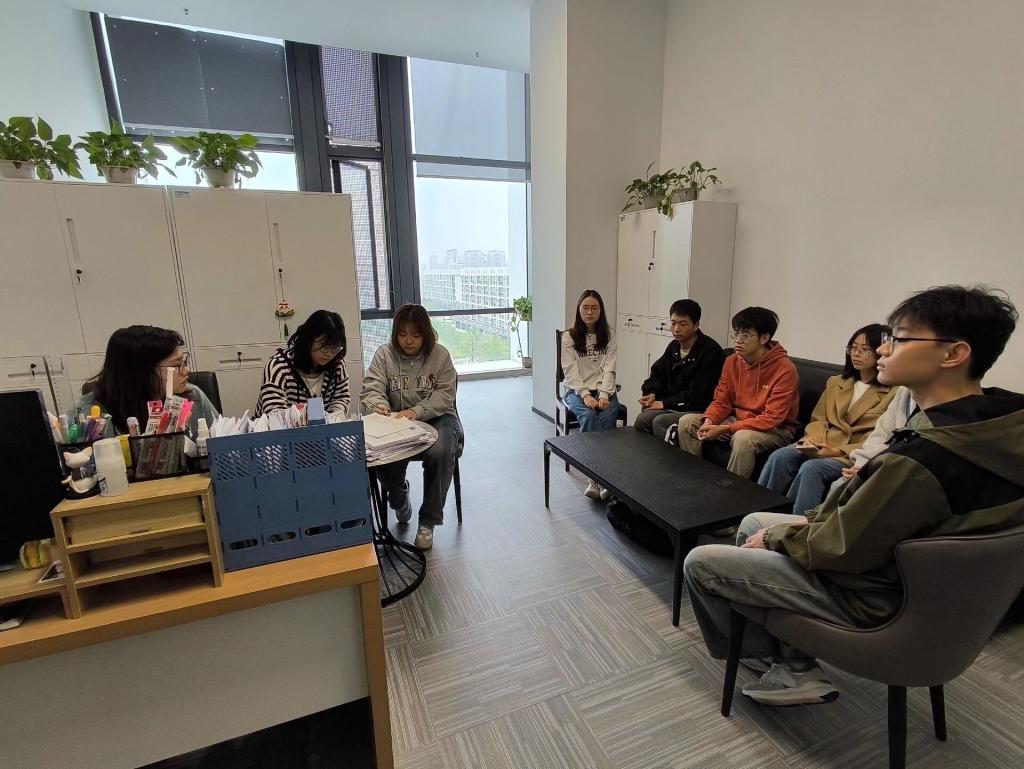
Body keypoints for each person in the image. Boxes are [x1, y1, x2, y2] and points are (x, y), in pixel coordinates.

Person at [684, 285, 1022, 707]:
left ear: (953, 354)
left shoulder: (924, 457)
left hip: (877, 597)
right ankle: (792, 662)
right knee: (755, 521)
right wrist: (796, 527)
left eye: (899, 339)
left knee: (701, 562)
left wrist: (778, 538)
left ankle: (777, 661)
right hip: (930, 591)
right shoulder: (995, 425)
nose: (883, 350)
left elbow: (841, 548)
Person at [757, 324, 897, 513]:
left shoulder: (895, 392)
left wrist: (837, 451)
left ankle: (796, 524)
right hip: (820, 443)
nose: (856, 353)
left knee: (813, 468)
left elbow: (880, 438)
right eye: (853, 347)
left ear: (882, 352)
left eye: (865, 349)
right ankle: (757, 511)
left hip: (850, 453)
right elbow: (819, 418)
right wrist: (813, 441)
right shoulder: (836, 382)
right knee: (780, 456)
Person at [360, 304, 462, 551]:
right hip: (395, 419)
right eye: (403, 334)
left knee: (440, 451)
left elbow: (445, 395)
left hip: (438, 417)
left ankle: (427, 522)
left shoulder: (440, 355)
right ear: (395, 333)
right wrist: (378, 405)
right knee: (378, 453)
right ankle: (399, 498)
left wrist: (417, 411)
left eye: (416, 335)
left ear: (426, 334)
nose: (409, 341)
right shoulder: (384, 354)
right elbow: (372, 388)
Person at [677, 307, 799, 478]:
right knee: (687, 423)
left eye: (746, 336)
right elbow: (721, 401)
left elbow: (772, 418)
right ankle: (694, 479)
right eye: (736, 334)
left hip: (776, 429)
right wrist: (709, 420)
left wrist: (726, 428)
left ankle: (732, 492)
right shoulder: (732, 361)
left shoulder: (785, 369)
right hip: (739, 419)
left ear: (764, 338)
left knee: (742, 439)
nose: (738, 341)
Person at [76, 325, 218, 437]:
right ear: (141, 372)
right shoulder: (91, 415)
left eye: (184, 362)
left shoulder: (192, 396)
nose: (186, 371)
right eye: (177, 364)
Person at [634, 299, 725, 441]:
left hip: (695, 408)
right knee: (642, 420)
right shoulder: (674, 346)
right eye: (673, 323)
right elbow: (658, 374)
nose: (676, 329)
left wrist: (665, 403)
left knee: (659, 422)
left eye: (683, 324)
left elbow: (699, 394)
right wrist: (651, 392)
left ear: (696, 325)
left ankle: (666, 456)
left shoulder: (710, 351)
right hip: (673, 404)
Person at [560, 289, 620, 500]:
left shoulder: (609, 335)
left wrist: (603, 394)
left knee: (607, 415)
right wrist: (586, 395)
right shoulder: (569, 337)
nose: (589, 312)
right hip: (577, 390)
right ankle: (594, 476)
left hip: (604, 389)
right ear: (579, 309)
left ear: (601, 310)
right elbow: (570, 371)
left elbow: (610, 368)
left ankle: (605, 475)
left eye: (594, 308)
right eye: (585, 307)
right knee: (587, 416)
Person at [256, 310, 350, 417]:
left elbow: (341, 399)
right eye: (324, 347)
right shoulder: (279, 367)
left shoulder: (336, 364)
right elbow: (274, 414)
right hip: (281, 426)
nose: (329, 354)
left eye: (335, 349)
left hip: (324, 426)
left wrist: (332, 419)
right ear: (309, 340)